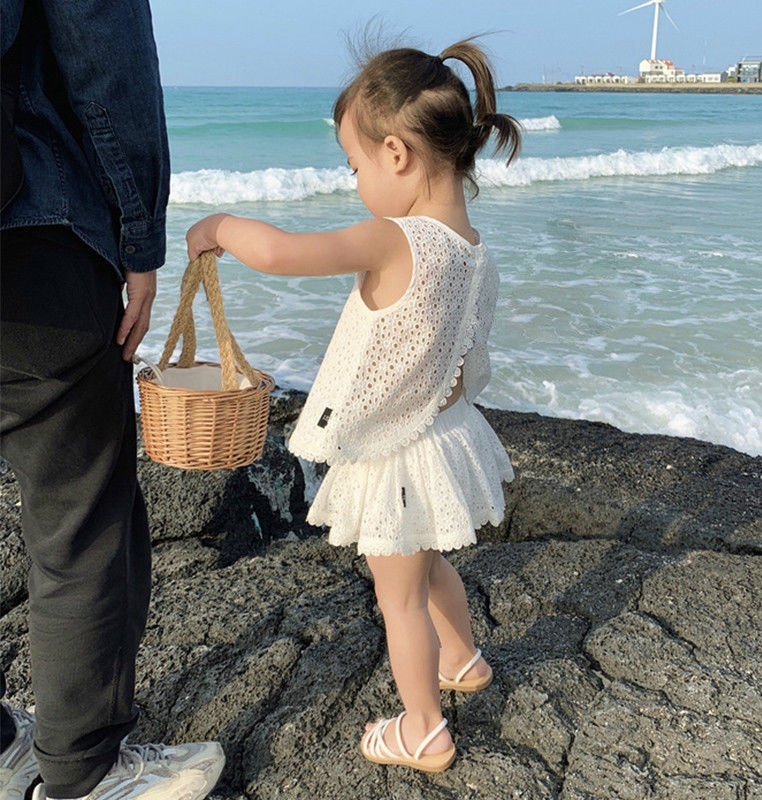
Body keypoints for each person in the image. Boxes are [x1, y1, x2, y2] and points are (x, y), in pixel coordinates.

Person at [186, 39, 520, 772]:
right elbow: (463, 362)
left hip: (395, 456)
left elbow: (279, 253)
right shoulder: (471, 248)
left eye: (354, 164)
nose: (355, 180)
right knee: (430, 571)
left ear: (397, 155)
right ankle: (462, 660)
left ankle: (423, 729)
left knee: (397, 598)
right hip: (442, 436)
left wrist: (216, 229)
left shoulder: (394, 237)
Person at [0, 1, 225, 798]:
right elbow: (106, 53)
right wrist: (139, 240)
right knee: (81, 519)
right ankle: (83, 773)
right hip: (28, 238)